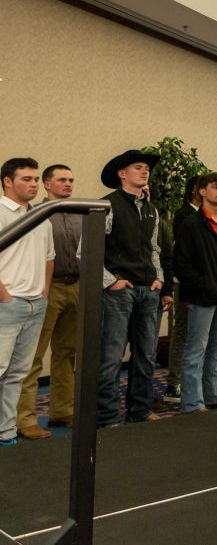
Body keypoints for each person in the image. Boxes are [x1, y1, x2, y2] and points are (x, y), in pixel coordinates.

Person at [93, 150, 167, 426]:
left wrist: (157, 278)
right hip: (119, 291)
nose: (145, 171)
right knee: (111, 356)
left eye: (146, 168)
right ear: (122, 174)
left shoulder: (151, 208)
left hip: (148, 290)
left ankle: (139, 410)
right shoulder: (106, 205)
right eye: (138, 167)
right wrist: (111, 281)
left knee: (146, 355)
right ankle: (107, 417)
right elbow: (86, 251)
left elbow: (154, 248)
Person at [17, 164, 78, 439]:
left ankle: (63, 411)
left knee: (66, 354)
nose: (68, 184)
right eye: (62, 180)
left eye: (71, 180)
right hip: (47, 289)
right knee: (33, 356)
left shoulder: (80, 213)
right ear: (47, 184)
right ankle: (26, 419)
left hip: (76, 287)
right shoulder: (37, 214)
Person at [175, 172, 217, 413]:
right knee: (196, 349)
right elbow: (182, 264)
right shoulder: (191, 223)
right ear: (202, 191)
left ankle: (214, 395)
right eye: (215, 187)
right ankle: (192, 402)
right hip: (201, 297)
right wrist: (204, 285)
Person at [0, 158, 54, 446]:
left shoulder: (41, 213)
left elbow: (49, 257)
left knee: (16, 373)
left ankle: (5, 432)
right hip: (7, 305)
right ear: (8, 181)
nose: (33, 184)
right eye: (27, 179)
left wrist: (44, 293)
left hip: (36, 304)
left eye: (35, 179)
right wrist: (4, 295)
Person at [163, 175, 202, 404]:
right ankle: (173, 383)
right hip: (187, 283)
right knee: (182, 332)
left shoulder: (211, 215)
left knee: (201, 336)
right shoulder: (184, 215)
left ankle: (193, 381)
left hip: (206, 285)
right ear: (197, 190)